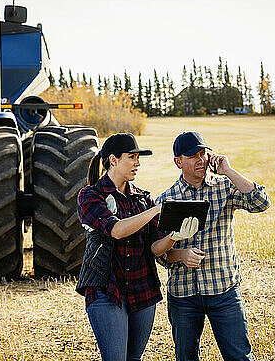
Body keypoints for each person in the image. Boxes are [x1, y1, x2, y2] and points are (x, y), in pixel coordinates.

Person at [75, 132, 199, 361]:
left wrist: (173, 236)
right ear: (113, 160)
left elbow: (154, 249)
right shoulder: (91, 196)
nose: (137, 163)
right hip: (106, 290)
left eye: (138, 158)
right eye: (131, 157)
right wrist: (156, 210)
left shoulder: (142, 198)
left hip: (143, 290)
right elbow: (116, 230)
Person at [156, 131, 271, 361]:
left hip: (224, 291)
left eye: (203, 153)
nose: (201, 160)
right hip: (183, 295)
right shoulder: (167, 199)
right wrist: (181, 254)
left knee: (239, 357)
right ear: (178, 161)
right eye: (192, 156)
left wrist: (228, 170)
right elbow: (159, 254)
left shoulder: (225, 187)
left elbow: (261, 202)